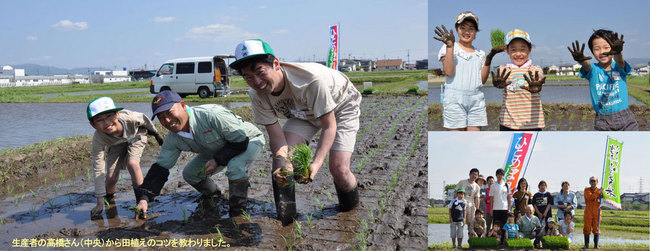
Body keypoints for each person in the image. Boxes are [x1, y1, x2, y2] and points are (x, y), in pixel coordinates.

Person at [228, 39, 362, 224]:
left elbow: (329, 126)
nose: (256, 82)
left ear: (275, 64)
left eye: (259, 72)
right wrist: (283, 160)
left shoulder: (310, 80)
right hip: (302, 113)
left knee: (338, 169)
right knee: (281, 164)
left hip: (340, 105)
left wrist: (316, 164)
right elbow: (276, 136)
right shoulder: (257, 95)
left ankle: (350, 209)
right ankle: (286, 218)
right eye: (248, 77)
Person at [134, 90, 265, 218]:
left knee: (235, 167)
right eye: (161, 117)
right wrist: (144, 198)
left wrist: (217, 160)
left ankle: (238, 213)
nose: (167, 120)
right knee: (190, 174)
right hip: (215, 149)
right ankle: (214, 194)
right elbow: (161, 167)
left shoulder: (212, 115)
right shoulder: (173, 138)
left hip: (249, 140)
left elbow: (241, 141)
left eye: (169, 113)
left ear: (183, 105)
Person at [86, 96, 163, 219]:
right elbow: (98, 168)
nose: (106, 123)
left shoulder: (130, 117)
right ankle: (109, 200)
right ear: (92, 124)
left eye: (109, 116)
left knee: (132, 163)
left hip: (136, 134)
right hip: (116, 144)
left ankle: (141, 200)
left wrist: (156, 134)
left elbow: (145, 120)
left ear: (117, 114)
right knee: (110, 177)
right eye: (99, 120)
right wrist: (100, 203)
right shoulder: (98, 138)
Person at [433, 11, 504, 131]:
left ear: (476, 32)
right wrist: (450, 47)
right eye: (463, 27)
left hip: (476, 100)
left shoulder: (480, 54)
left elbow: (481, 80)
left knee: (474, 140)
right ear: (456, 29)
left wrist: (489, 59)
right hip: (454, 99)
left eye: (471, 28)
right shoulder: (449, 47)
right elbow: (449, 72)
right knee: (456, 141)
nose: (467, 32)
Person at [568, 29, 638, 131]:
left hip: (626, 119)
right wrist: (581, 59)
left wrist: (618, 52)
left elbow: (620, 61)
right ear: (592, 51)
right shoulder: (593, 70)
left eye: (606, 47)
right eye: (597, 49)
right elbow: (586, 65)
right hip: (603, 121)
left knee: (632, 146)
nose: (602, 52)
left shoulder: (618, 67)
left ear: (613, 47)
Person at [491, 29, 546, 131]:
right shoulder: (504, 70)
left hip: (532, 123)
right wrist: (497, 83)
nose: (518, 54)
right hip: (508, 123)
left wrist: (537, 85)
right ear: (507, 51)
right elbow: (497, 81)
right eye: (513, 50)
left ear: (529, 50)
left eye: (523, 49)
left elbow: (540, 77)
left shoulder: (534, 69)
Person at [457, 168, 481, 236]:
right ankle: (459, 243)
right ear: (469, 174)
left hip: (471, 206)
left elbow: (477, 198)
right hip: (461, 205)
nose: (474, 176)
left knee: (471, 224)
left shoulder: (477, 187)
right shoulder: (462, 182)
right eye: (473, 174)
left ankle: (471, 241)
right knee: (460, 223)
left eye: (476, 175)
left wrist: (477, 209)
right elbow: (456, 193)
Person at [489, 169, 511, 234]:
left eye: (501, 174)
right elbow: (491, 198)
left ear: (503, 176)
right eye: (498, 174)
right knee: (495, 226)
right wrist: (491, 209)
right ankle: (496, 240)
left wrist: (509, 208)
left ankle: (503, 241)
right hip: (496, 208)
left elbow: (509, 198)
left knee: (504, 226)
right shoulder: (493, 186)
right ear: (496, 175)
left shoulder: (506, 185)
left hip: (504, 208)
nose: (500, 176)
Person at [583, 176, 602, 249]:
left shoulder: (600, 190)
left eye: (594, 181)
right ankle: (586, 245)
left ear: (597, 182)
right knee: (587, 228)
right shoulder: (586, 190)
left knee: (596, 228)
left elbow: (605, 199)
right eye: (591, 181)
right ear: (589, 182)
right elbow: (590, 197)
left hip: (597, 211)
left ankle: (596, 245)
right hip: (588, 211)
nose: (593, 182)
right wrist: (598, 193)